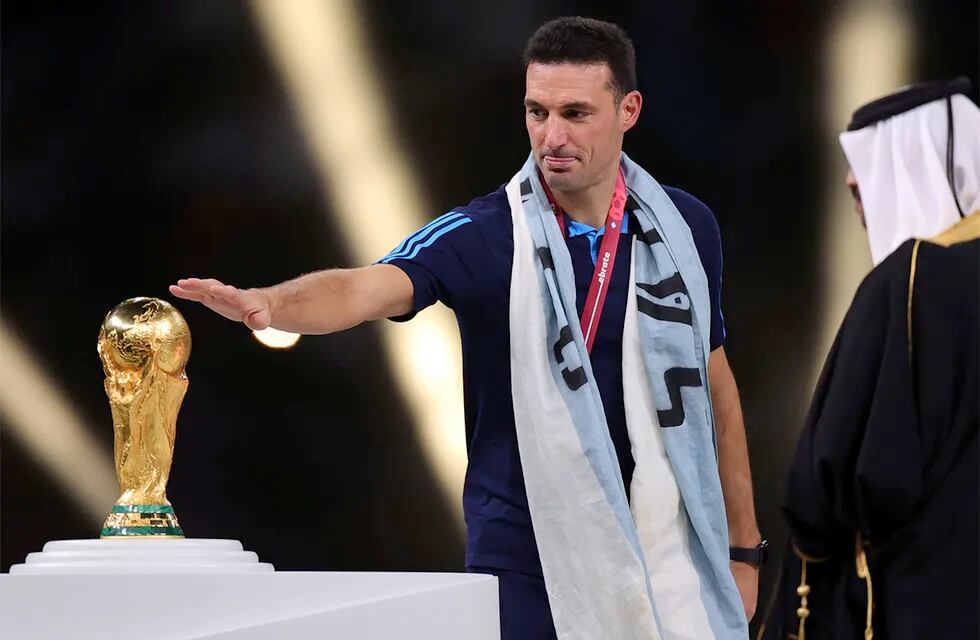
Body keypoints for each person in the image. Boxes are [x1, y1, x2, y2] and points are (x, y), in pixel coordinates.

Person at [172, 17, 761, 639]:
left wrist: (744, 552)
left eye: (575, 113)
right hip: (525, 566)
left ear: (629, 110)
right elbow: (363, 287)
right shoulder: (484, 234)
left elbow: (716, 393)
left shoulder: (684, 229)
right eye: (537, 112)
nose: (551, 136)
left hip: (665, 554)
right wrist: (271, 301)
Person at [761, 78, 980, 640]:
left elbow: (831, 480)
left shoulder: (912, 278)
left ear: (914, 161)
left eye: (865, 166)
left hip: (911, 605)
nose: (852, 182)